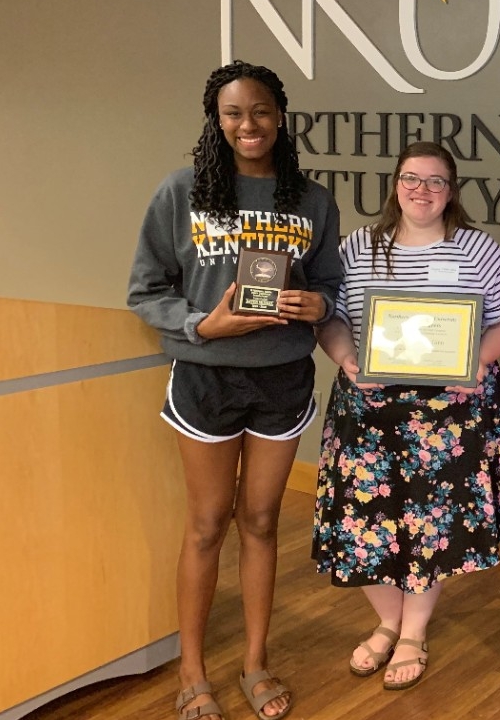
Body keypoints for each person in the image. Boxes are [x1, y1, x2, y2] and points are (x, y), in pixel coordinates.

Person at [127, 61, 342, 720]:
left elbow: (331, 285)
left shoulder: (311, 199)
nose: (248, 124)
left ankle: (254, 660)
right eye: (233, 113)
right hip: (206, 377)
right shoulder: (180, 191)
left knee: (261, 522)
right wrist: (202, 324)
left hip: (282, 377)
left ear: (280, 117)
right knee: (205, 526)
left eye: (260, 112)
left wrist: (315, 306)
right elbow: (145, 290)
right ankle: (192, 671)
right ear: (217, 122)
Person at [310, 141, 500, 692]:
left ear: (452, 191)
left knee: (430, 525)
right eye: (411, 178)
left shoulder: (477, 250)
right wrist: (346, 360)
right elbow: (329, 319)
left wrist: (478, 360)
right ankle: (387, 621)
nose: (421, 190)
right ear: (395, 184)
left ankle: (414, 632)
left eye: (435, 181)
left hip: (450, 414)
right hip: (369, 407)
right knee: (362, 523)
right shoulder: (358, 247)